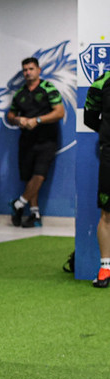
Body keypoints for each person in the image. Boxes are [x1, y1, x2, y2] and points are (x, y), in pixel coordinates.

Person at [7, 57, 65, 228]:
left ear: (39, 70)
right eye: (25, 70)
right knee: (29, 177)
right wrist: (18, 120)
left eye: (31, 69)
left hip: (46, 140)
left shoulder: (48, 88)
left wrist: (37, 120)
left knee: (39, 174)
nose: (28, 72)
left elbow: (59, 112)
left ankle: (19, 203)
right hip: (26, 141)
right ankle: (35, 213)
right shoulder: (20, 93)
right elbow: (10, 116)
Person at [83, 70, 110, 288]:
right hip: (109, 154)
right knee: (107, 213)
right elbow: (89, 117)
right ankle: (105, 268)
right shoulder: (102, 82)